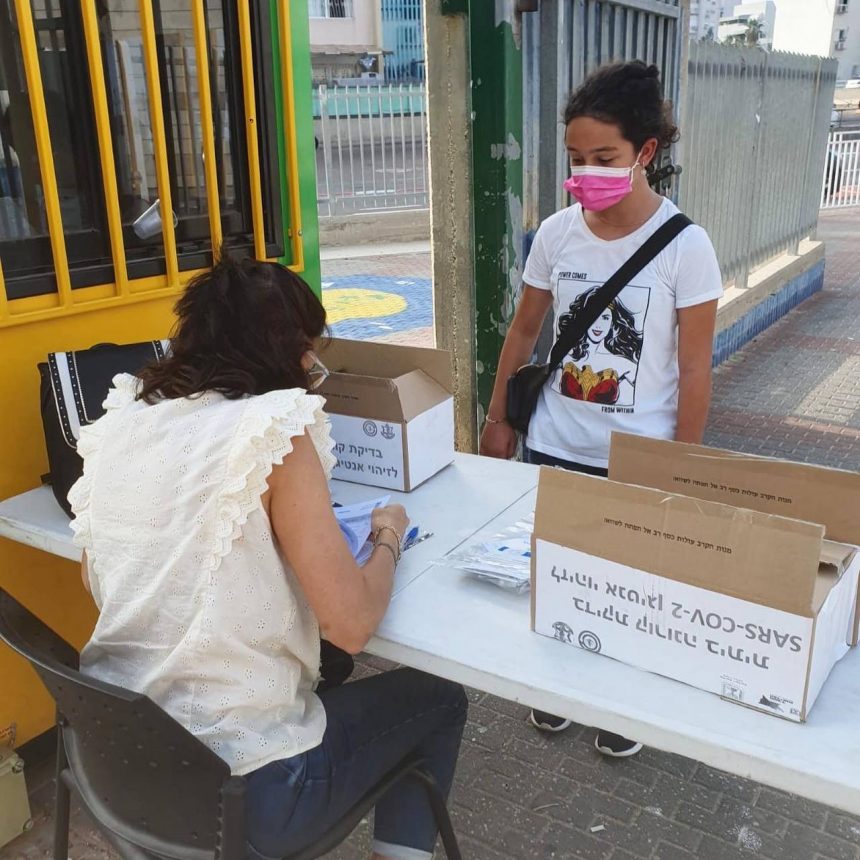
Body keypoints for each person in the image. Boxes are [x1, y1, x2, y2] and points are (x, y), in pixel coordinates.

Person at [68, 256, 468, 860]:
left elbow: (95, 577)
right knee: (439, 696)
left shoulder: (122, 420)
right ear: (290, 351)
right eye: (310, 350)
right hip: (245, 795)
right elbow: (351, 625)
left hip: (122, 765)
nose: (312, 366)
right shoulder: (274, 430)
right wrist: (387, 536)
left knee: (326, 671)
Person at [479, 60, 723, 757]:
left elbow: (695, 367)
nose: (588, 171)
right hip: (556, 441)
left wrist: (683, 464)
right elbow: (524, 332)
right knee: (558, 577)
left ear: (645, 152)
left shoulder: (687, 247)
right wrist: (499, 417)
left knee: (628, 586)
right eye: (577, 158)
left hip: (638, 457)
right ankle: (559, 689)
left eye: (605, 157)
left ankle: (620, 704)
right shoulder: (558, 234)